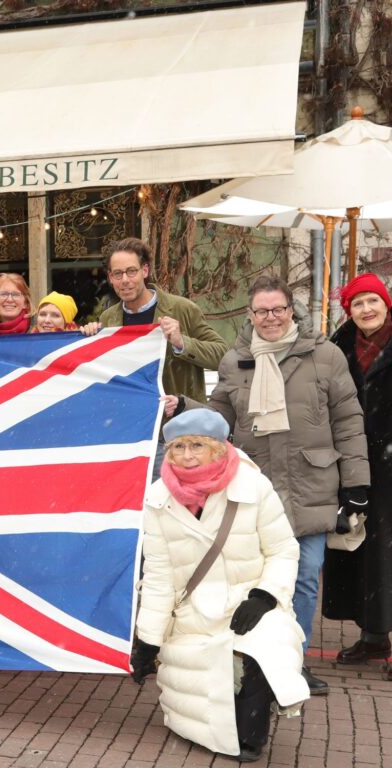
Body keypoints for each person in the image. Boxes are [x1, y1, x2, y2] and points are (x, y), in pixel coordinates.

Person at [198, 275, 369, 695]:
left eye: (278, 309)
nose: (271, 318)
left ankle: (294, 661)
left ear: (291, 311)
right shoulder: (234, 360)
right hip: (255, 484)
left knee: (306, 576)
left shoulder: (325, 355)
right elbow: (216, 421)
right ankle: (258, 661)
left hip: (312, 483)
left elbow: (348, 421)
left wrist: (356, 486)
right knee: (257, 578)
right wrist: (179, 409)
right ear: (250, 315)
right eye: (262, 311)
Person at [132, 409, 308, 763]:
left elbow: (283, 549)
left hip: (251, 601)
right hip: (193, 611)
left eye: (197, 445)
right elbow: (160, 576)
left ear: (217, 447)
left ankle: (253, 732)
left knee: (263, 651)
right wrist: (147, 639)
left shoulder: (253, 486)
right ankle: (229, 726)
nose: (187, 455)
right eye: (178, 446)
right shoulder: (157, 498)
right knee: (198, 698)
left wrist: (264, 596)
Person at [322, 273, 392, 664]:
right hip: (354, 461)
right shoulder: (339, 345)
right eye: (358, 303)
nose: (366, 310)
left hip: (390, 460)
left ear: (386, 303)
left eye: (373, 301)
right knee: (366, 550)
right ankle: (374, 635)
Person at [80, 237, 226, 405]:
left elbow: (222, 356)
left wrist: (181, 343)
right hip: (132, 418)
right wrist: (90, 340)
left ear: (145, 271)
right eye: (118, 274)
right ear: (111, 278)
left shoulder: (183, 309)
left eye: (132, 271)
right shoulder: (108, 318)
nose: (125, 280)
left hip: (177, 422)